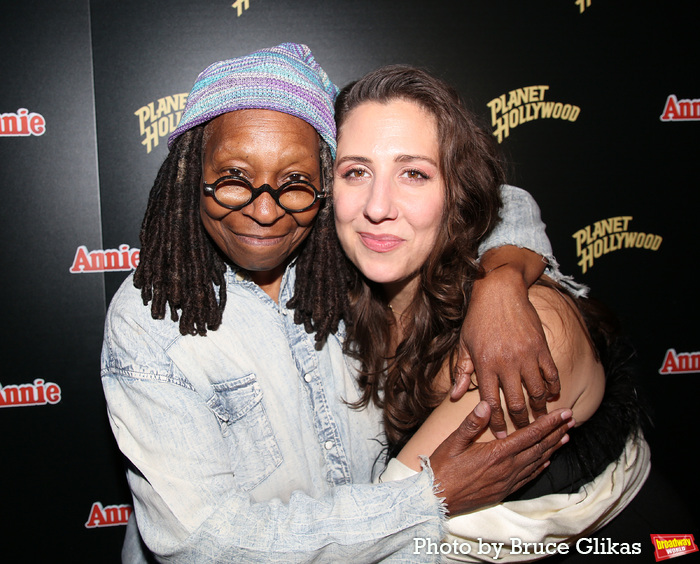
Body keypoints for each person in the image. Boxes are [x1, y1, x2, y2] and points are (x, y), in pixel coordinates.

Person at [101, 44, 573, 563]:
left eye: (297, 182)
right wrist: (428, 498)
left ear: (327, 181)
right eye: (234, 178)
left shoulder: (343, 250)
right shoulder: (149, 321)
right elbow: (204, 543)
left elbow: (491, 201)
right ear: (191, 174)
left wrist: (500, 280)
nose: (264, 211)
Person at [328, 64, 650, 561]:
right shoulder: (342, 293)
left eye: (413, 173)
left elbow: (385, 528)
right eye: (356, 172)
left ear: (458, 192)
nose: (377, 206)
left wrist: (500, 279)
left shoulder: (527, 332)